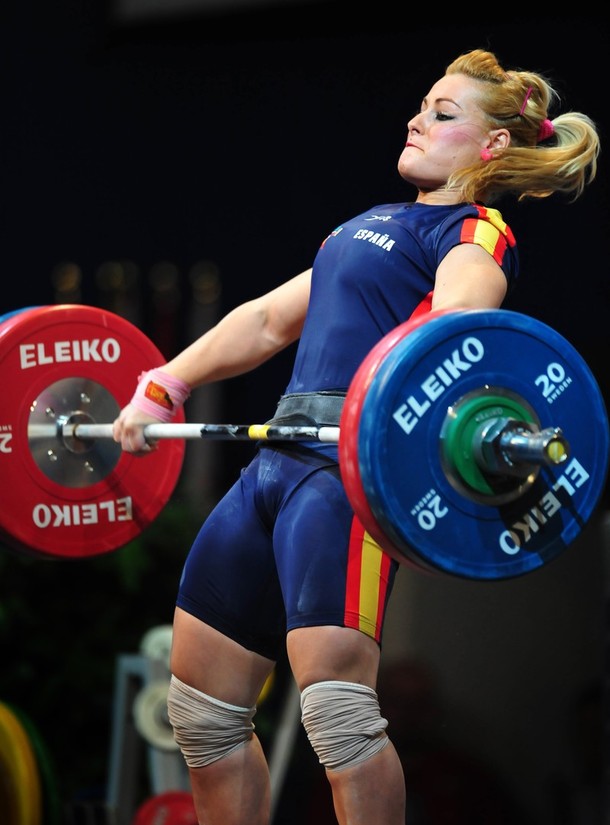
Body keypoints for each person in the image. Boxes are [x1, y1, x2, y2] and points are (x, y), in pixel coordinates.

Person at [112, 49, 599, 825]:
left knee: (338, 718)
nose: (417, 118)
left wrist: (399, 396)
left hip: (343, 480)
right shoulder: (369, 225)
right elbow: (268, 319)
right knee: (201, 716)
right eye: (421, 104)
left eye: (444, 112)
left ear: (493, 147)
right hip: (274, 465)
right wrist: (163, 382)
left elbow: (458, 328)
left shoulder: (474, 232)